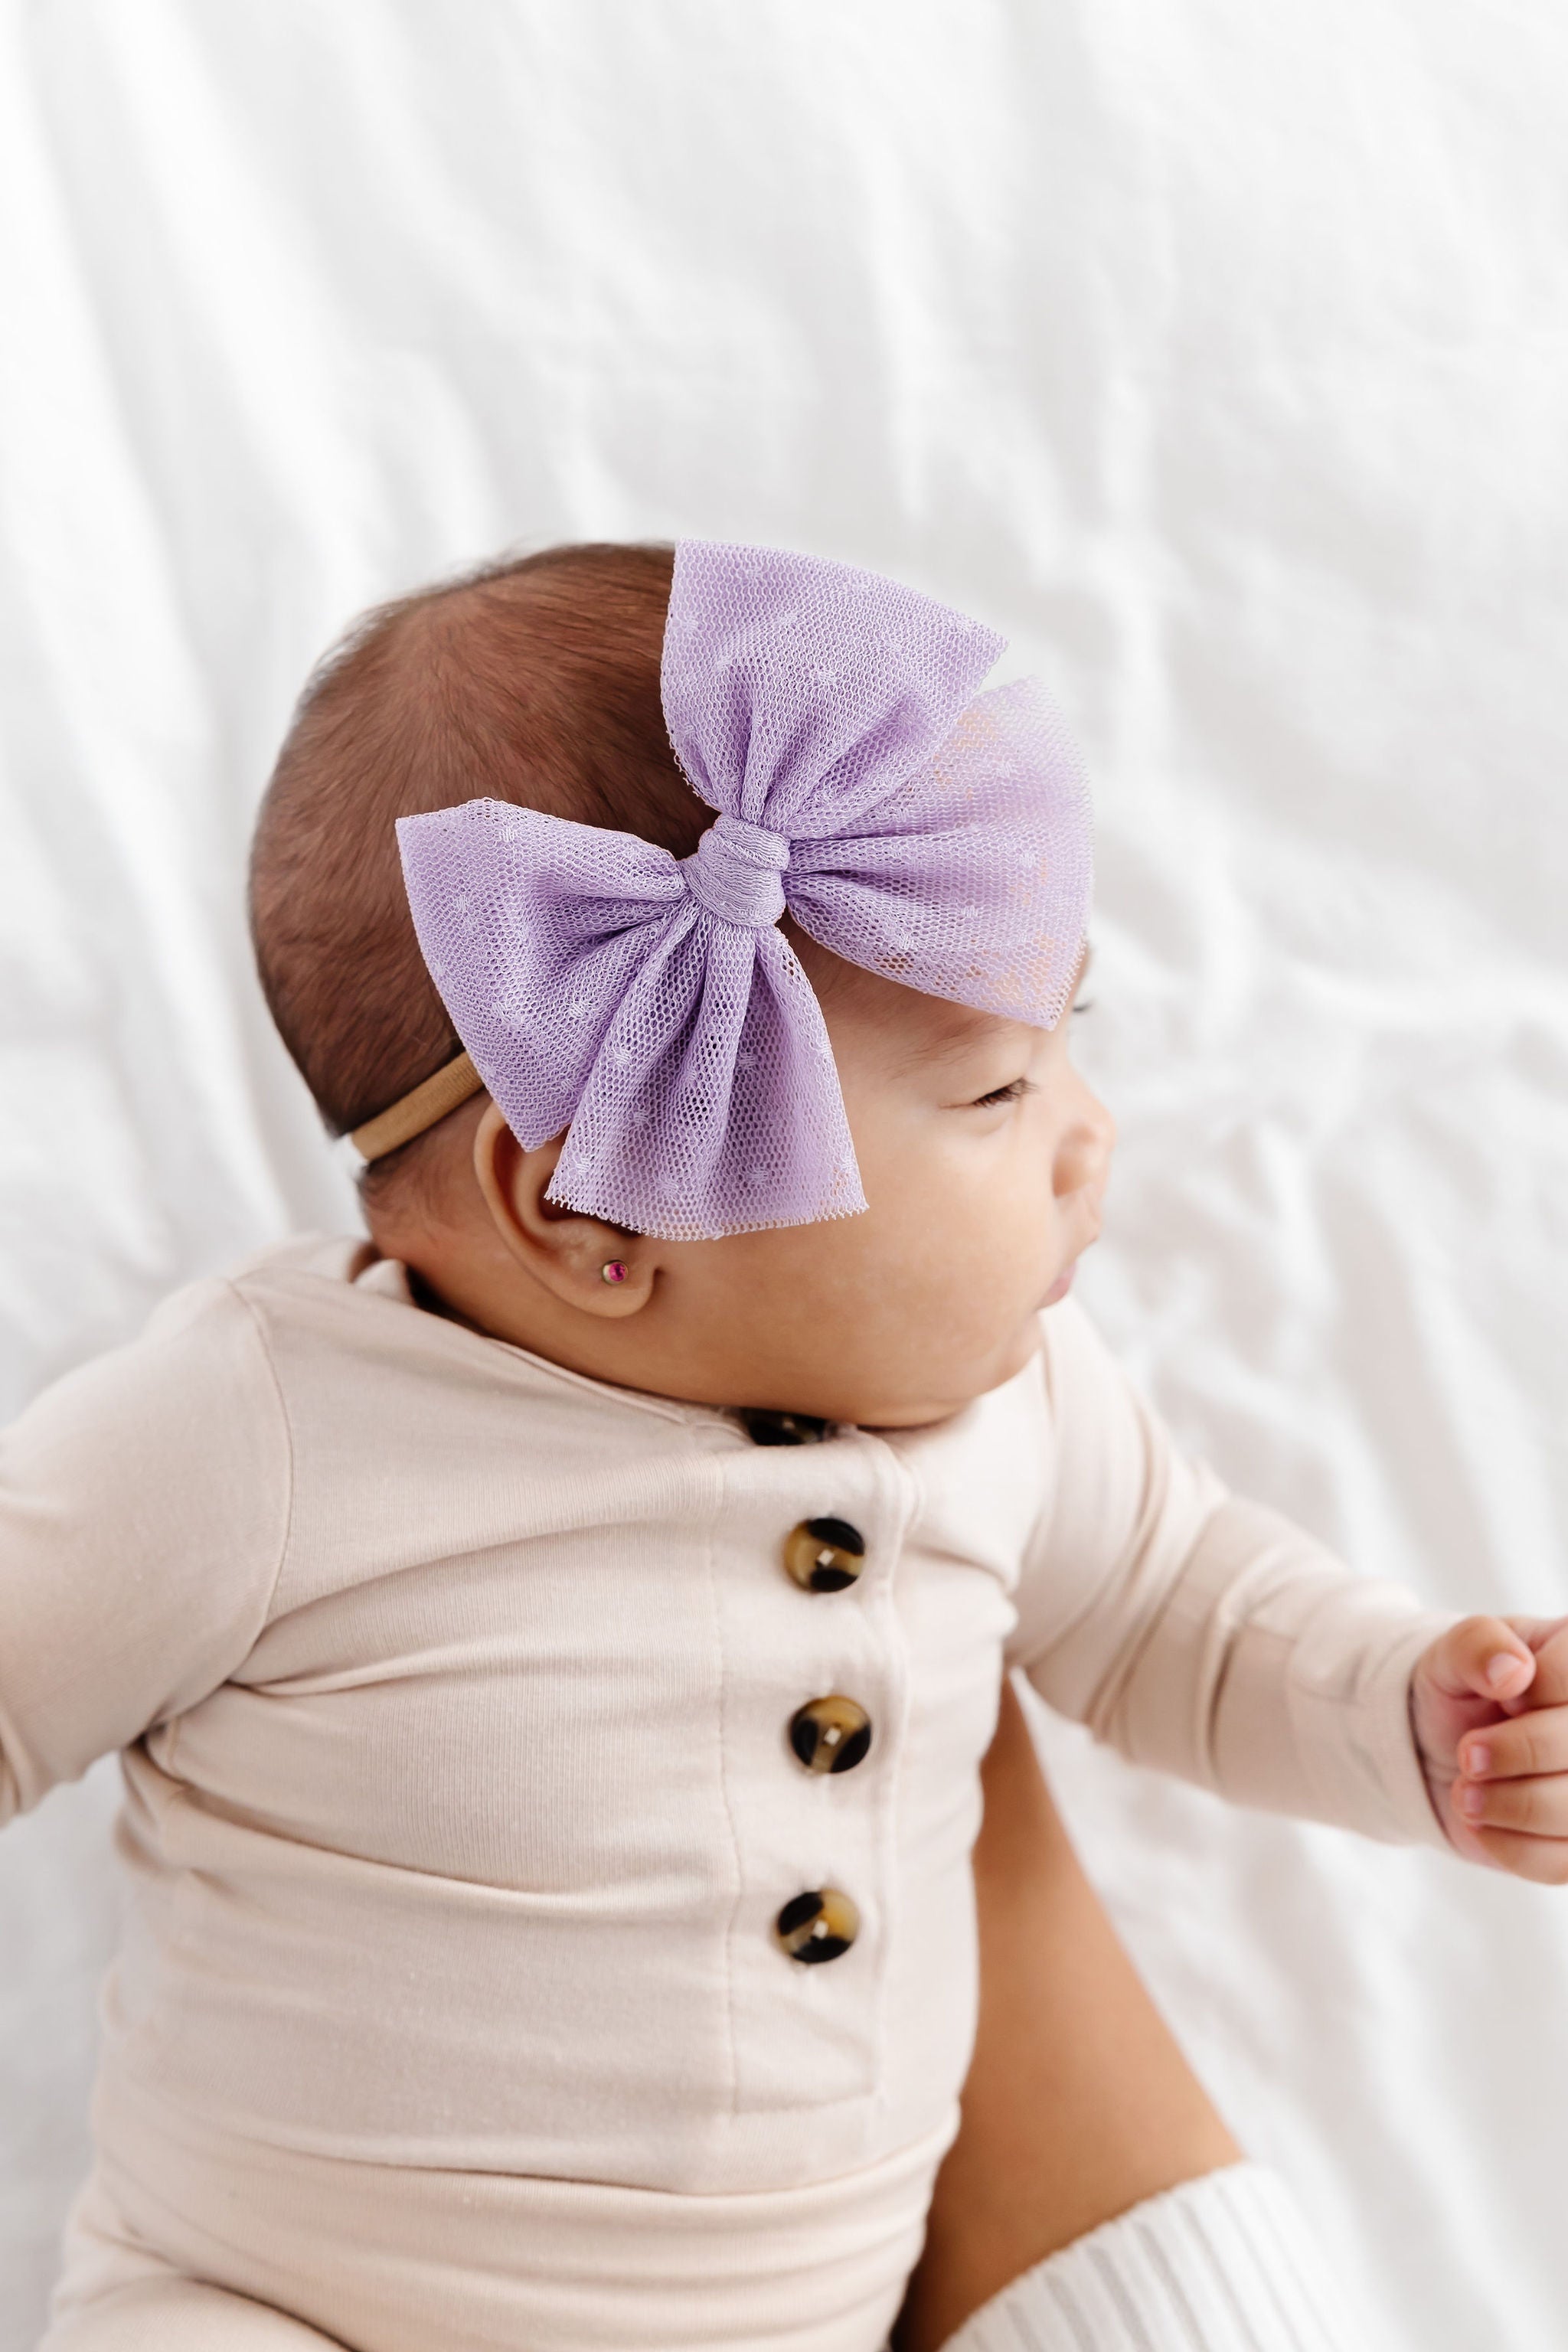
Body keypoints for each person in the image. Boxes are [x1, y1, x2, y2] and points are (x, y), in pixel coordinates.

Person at [10, 540, 1566, 2352]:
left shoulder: (1010, 1407)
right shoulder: (260, 1430)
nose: (1088, 1137)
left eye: (1067, 1039)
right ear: (594, 1206)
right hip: (282, 2312)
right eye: (994, 1088)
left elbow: (1184, 1614)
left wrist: (1407, 1713)